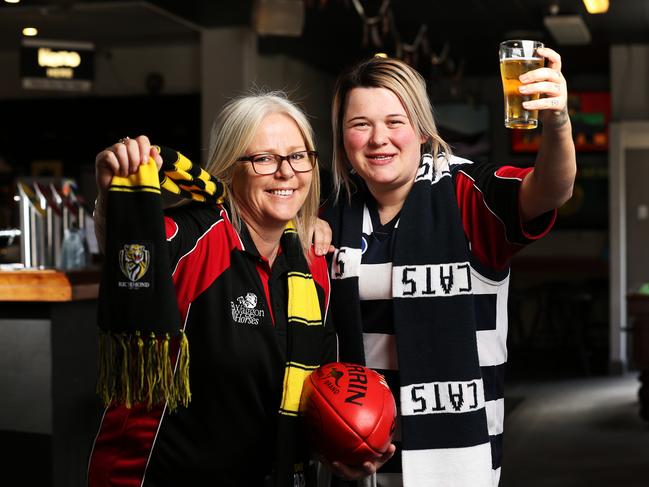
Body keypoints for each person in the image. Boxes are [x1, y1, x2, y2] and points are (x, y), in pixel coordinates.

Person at [321, 53, 576, 487]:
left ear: (421, 129)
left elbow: (552, 188)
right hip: (360, 464)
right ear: (343, 139)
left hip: (457, 467)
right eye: (359, 124)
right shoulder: (331, 217)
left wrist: (557, 123)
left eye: (394, 121)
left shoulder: (466, 194)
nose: (378, 138)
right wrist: (329, 440)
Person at [87, 92, 339, 486]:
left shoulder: (312, 264)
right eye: (264, 159)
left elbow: (319, 395)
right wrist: (113, 199)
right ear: (229, 168)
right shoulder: (194, 234)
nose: (286, 172)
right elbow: (135, 253)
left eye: (297, 156)